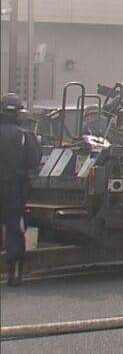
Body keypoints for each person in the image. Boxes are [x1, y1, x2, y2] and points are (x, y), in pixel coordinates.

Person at [1, 93, 43, 286]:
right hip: (14, 188)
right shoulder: (24, 135)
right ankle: (14, 273)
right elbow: (35, 160)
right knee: (13, 227)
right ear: (18, 112)